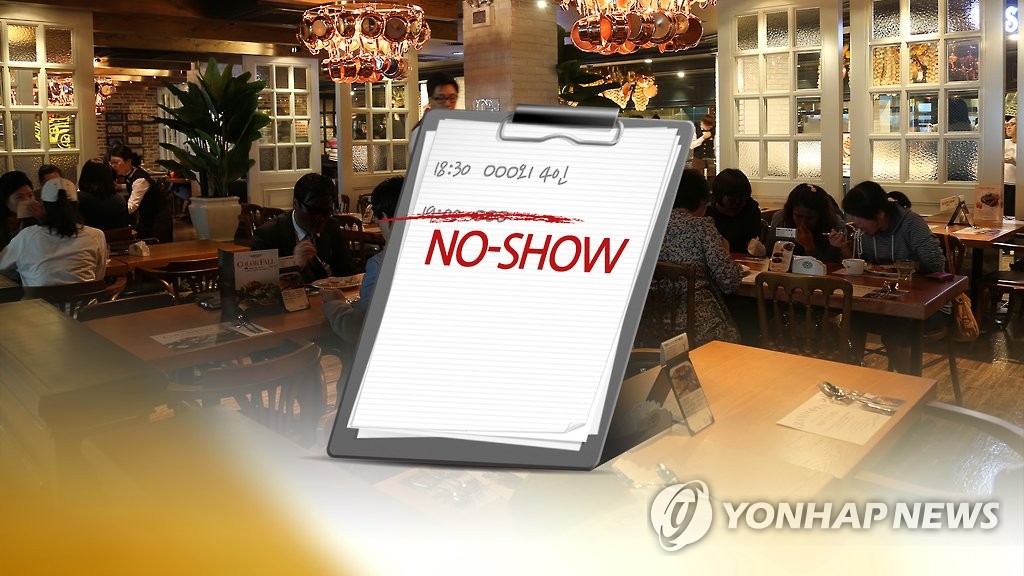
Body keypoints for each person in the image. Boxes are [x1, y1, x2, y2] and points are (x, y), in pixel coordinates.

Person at [830, 180, 944, 373]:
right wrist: (843, 249)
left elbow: (936, 264)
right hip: (883, 300)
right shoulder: (864, 232)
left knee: (894, 329)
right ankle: (853, 375)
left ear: (880, 214)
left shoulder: (911, 224)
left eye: (858, 217)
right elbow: (863, 267)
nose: (855, 222)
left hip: (924, 304)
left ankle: (907, 384)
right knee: (851, 321)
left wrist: (900, 265)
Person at [657, 168, 743, 346]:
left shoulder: (650, 227)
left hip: (652, 329)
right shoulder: (701, 227)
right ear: (702, 202)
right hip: (700, 330)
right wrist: (725, 250)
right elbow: (730, 282)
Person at [322, 176, 404, 344]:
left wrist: (335, 303)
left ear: (385, 217)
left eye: (377, 216)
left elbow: (358, 328)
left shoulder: (381, 265)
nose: (376, 221)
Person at [0, 178, 107, 286]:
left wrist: (26, 272)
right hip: (86, 297)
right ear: (77, 204)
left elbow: (2, 267)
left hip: (37, 297)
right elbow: (98, 276)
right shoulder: (96, 235)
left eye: (30, 195)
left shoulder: (27, 236)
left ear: (43, 206)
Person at [251, 173, 356, 283]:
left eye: (326, 211)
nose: (320, 218)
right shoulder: (268, 235)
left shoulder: (331, 226)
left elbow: (347, 271)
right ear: (295, 203)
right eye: (313, 210)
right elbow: (262, 285)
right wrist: (294, 265)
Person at [770, 183, 845, 263]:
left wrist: (810, 247)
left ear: (821, 216)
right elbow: (770, 255)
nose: (803, 223)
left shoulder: (834, 225)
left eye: (809, 218)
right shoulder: (780, 219)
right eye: (798, 216)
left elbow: (833, 265)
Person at [109, 145, 167, 240]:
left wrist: (112, 211)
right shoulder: (132, 172)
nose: (113, 166)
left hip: (157, 218)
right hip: (147, 216)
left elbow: (132, 206)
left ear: (128, 161)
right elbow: (132, 186)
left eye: (116, 162)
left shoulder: (140, 179)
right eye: (111, 162)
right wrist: (120, 187)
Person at [706, 168, 761, 253]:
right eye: (732, 200)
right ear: (719, 196)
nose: (737, 204)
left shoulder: (751, 209)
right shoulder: (705, 211)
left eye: (742, 200)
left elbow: (753, 243)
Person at [77, 158, 129, 231]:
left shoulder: (79, 199)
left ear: (84, 176)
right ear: (109, 176)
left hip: (91, 238)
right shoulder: (120, 199)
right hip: (118, 237)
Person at [1, 170, 43, 251]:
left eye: (30, 195)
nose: (27, 201)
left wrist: (43, 220)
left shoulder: (36, 218)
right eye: (20, 197)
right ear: (5, 200)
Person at [689, 114, 716, 181]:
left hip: (710, 158)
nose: (709, 128)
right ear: (703, 123)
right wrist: (703, 138)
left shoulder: (714, 129)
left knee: (712, 178)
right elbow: (692, 145)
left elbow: (715, 145)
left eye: (711, 127)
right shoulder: (695, 128)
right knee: (697, 178)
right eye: (708, 127)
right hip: (698, 158)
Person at [1005, 115, 1017, 217]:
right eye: (1007, 125)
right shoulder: (1004, 143)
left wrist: (1014, 162)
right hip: (1001, 183)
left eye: (1012, 124)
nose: (1008, 127)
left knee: (1011, 214)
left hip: (1017, 185)